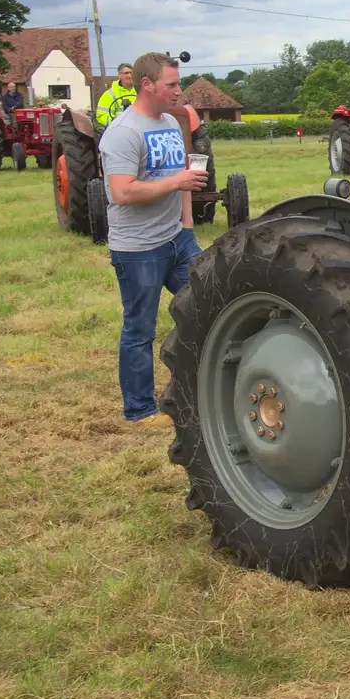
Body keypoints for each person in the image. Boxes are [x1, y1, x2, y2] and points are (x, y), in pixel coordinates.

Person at [99, 52, 209, 426]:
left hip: (178, 241)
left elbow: (182, 177)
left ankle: (205, 389)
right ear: (147, 84)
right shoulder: (123, 132)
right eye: (172, 84)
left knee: (210, 307)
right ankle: (140, 409)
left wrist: (188, 224)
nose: (179, 91)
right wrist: (175, 182)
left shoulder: (169, 124)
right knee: (139, 329)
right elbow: (122, 192)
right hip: (138, 249)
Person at [96, 63, 137, 130]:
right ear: (119, 75)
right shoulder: (109, 95)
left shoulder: (141, 92)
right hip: (117, 130)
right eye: (126, 73)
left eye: (131, 73)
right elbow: (101, 116)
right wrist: (117, 121)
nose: (129, 76)